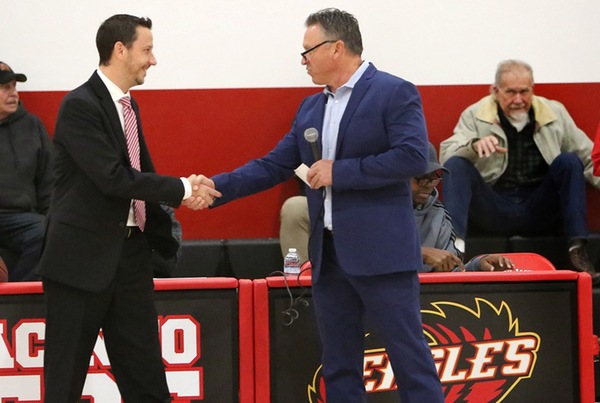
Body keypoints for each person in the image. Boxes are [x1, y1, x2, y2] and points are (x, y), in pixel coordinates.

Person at [208, 8, 444, 402]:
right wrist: (215, 187)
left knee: (410, 360)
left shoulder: (394, 91)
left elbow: (412, 157)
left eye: (308, 51)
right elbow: (274, 165)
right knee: (337, 365)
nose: (302, 60)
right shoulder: (310, 108)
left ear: (337, 48)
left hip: (382, 255)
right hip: (330, 255)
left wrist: (342, 172)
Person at [38, 14, 221, 402]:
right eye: (147, 50)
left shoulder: (127, 106)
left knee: (147, 380)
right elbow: (114, 178)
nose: (153, 60)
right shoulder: (79, 105)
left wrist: (183, 196)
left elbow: (140, 174)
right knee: (63, 382)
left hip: (130, 258)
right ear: (120, 50)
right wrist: (184, 187)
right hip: (79, 263)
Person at [440, 59, 599, 281]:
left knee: (569, 161)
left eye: (524, 92)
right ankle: (455, 250)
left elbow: (590, 158)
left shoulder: (554, 113)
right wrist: (473, 146)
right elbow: (446, 156)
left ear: (532, 89)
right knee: (457, 164)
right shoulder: (475, 114)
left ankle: (577, 251)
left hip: (539, 207)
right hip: (494, 207)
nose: (518, 99)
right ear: (496, 91)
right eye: (511, 92)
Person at [415, 143, 514, 273]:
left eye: (433, 177)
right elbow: (379, 258)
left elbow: (452, 272)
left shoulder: (438, 215)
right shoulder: (380, 214)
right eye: (422, 177)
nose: (429, 185)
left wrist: (477, 265)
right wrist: (419, 254)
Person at [0, 61, 54, 281]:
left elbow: (49, 181)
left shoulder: (32, 126)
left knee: (48, 231)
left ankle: (13, 301)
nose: (13, 94)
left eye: (14, 87)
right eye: (5, 88)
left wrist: (52, 218)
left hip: (20, 217)